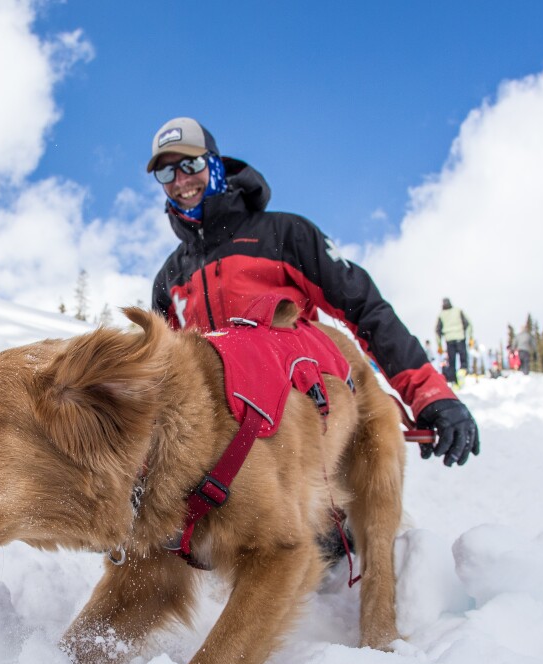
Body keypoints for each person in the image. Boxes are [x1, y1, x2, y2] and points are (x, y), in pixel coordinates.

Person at [145, 117, 479, 466]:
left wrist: (429, 394)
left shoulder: (285, 235)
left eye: (190, 164)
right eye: (167, 174)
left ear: (214, 163)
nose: (181, 181)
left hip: (303, 433)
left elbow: (365, 308)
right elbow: (165, 372)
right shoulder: (169, 277)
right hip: (221, 454)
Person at [436, 297, 473, 385]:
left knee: (451, 362)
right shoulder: (458, 311)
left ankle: (453, 380)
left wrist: (439, 345)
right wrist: (470, 337)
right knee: (463, 358)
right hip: (460, 337)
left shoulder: (441, 315)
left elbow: (437, 331)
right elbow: (468, 324)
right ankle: (462, 373)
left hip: (449, 340)